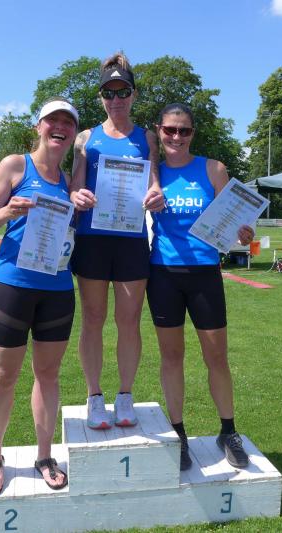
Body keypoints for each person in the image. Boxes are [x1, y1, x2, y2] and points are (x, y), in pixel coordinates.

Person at [0, 98, 79, 495]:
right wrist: (7, 212)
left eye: (67, 122)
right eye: (52, 120)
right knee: (3, 376)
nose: (59, 127)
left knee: (48, 375)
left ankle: (45, 456)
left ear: (72, 134)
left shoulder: (71, 181)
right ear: (39, 127)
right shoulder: (15, 166)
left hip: (57, 288)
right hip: (12, 286)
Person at [147, 103, 254, 471]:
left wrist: (244, 234)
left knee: (216, 357)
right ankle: (178, 434)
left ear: (193, 133)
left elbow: (235, 226)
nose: (176, 136)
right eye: (169, 130)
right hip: (163, 273)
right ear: (159, 130)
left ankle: (228, 431)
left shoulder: (213, 169)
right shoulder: (151, 172)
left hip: (205, 274)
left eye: (184, 130)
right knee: (171, 357)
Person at [69, 52, 164, 429]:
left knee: (129, 321)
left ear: (133, 94)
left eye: (123, 91)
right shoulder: (85, 138)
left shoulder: (147, 138)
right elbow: (75, 184)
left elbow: (154, 183)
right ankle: (94, 396)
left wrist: (155, 194)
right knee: (93, 319)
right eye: (108, 93)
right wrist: (76, 195)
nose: (116, 99)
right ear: (101, 97)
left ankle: (125, 395)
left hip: (130, 240)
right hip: (92, 239)